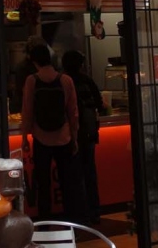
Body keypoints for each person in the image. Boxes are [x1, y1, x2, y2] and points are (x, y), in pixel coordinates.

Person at [21, 44, 88, 223]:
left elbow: (27, 111)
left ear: (34, 61)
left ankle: (45, 222)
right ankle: (71, 222)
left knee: (43, 183)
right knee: (68, 182)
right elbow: (73, 112)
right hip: (64, 137)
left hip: (41, 138)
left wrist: (24, 137)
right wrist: (74, 137)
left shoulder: (32, 80)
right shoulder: (65, 80)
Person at [62, 49, 109, 223]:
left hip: (70, 133)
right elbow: (100, 104)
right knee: (89, 172)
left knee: (73, 174)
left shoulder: (63, 81)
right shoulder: (87, 80)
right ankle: (94, 211)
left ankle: (78, 213)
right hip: (89, 132)